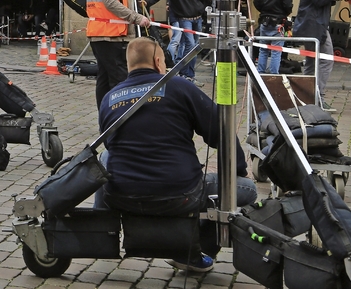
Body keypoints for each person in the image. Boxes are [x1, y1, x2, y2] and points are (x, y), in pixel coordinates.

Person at [96, 37, 256, 273]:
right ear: (158, 61)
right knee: (247, 190)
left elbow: (110, 143)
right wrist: (237, 172)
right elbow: (219, 131)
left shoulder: (110, 97)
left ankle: (101, 225)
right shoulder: (179, 86)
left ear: (128, 64)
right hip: (179, 194)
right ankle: (194, 252)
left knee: (105, 159)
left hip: (120, 195)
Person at [85, 0, 151, 109]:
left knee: (105, 78)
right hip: (109, 35)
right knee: (118, 79)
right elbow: (111, 2)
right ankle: (118, 117)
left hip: (102, 33)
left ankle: (106, 118)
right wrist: (137, 18)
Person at [145, 0, 211, 80]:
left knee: (195, 47)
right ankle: (184, 73)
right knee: (190, 44)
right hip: (184, 18)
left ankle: (189, 74)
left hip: (197, 17)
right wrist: (148, 2)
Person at [292, 0, 345, 99]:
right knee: (326, 60)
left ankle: (306, 95)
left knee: (311, 62)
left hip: (315, 25)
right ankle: (316, 96)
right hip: (314, 26)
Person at [253, 0, 293, 75]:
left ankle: (260, 74)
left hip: (264, 22)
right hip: (278, 23)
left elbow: (256, 2)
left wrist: (264, 11)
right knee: (276, 51)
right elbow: (288, 5)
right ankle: (274, 76)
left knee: (263, 50)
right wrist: (283, 13)